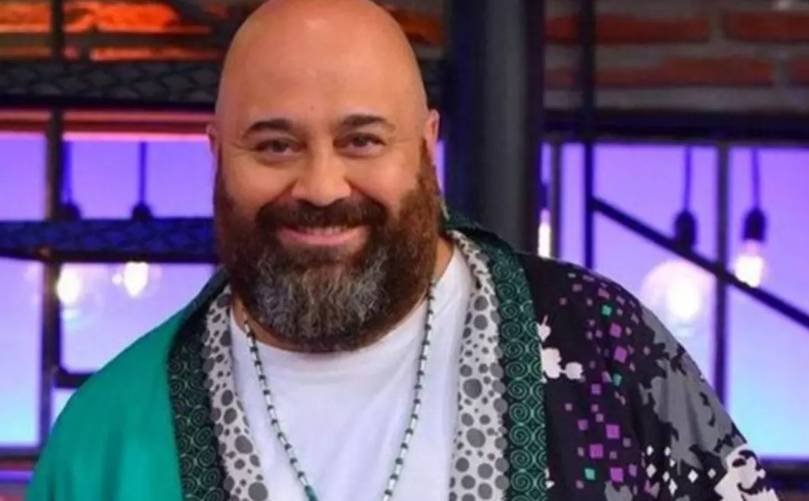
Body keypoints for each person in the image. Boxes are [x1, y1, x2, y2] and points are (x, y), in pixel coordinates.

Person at [27, 1, 779, 500]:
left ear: (426, 146)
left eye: (362, 140)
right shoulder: (105, 436)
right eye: (275, 145)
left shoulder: (602, 346)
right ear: (217, 153)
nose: (321, 186)